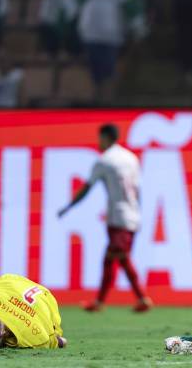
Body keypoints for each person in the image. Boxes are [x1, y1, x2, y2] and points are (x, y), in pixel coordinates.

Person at [58, 124, 152, 313]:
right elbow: (138, 188)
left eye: (99, 138)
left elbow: (86, 187)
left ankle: (140, 298)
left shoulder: (104, 161)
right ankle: (109, 301)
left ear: (106, 137)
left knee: (119, 257)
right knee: (114, 259)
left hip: (118, 217)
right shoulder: (131, 158)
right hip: (133, 214)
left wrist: (69, 206)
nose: (98, 142)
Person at [66, 0, 146, 102]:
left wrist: (138, 28)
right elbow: (73, 0)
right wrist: (68, 20)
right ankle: (97, 102)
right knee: (95, 74)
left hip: (112, 35)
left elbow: (134, 7)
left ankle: (108, 103)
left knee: (109, 73)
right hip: (90, 33)